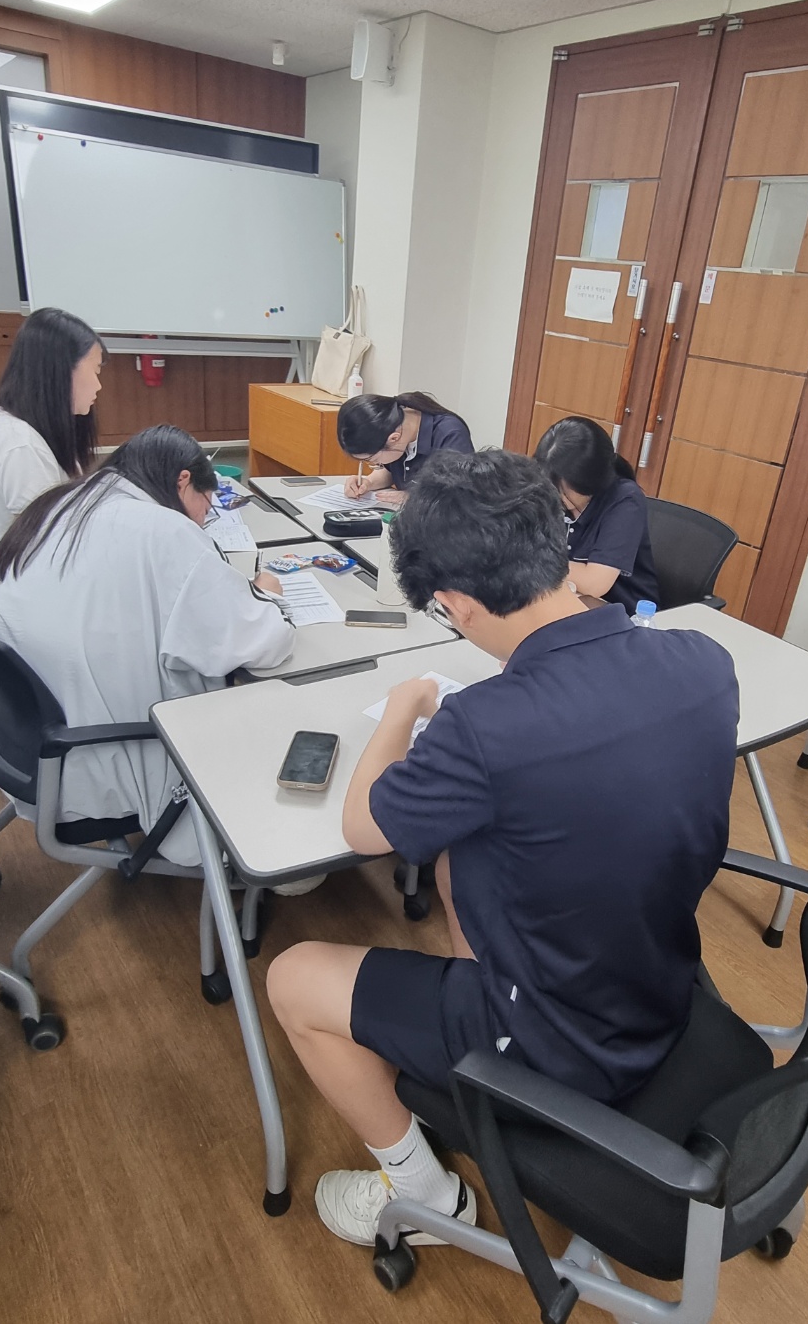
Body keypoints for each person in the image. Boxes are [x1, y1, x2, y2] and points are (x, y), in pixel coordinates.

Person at [267, 449, 739, 1248]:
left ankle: (424, 1198)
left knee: (292, 977)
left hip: (565, 1043)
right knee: (460, 855)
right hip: (664, 983)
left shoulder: (481, 725)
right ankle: (474, 1042)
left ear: (454, 604)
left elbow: (362, 828)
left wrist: (405, 706)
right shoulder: (704, 660)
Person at [0, 425, 294, 865]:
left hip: (29, 742)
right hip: (95, 755)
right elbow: (261, 643)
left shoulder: (63, 501)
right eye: (206, 507)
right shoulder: (163, 531)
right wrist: (267, 595)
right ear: (183, 481)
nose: (202, 521)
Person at [0, 306, 103, 549]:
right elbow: (44, 544)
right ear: (60, 373)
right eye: (95, 370)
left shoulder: (24, 422)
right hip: (32, 564)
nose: (98, 385)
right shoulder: (21, 445)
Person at [533, 414, 659, 610]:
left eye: (565, 491)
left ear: (590, 481)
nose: (558, 498)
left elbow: (595, 582)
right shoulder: (548, 490)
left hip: (622, 612)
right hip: (564, 600)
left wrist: (532, 561)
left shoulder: (625, 500)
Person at [338, 392, 473, 506]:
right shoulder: (396, 424)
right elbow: (391, 471)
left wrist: (413, 498)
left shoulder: (450, 434)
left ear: (394, 438)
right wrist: (368, 482)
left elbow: (459, 496)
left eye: (372, 459)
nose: (375, 463)